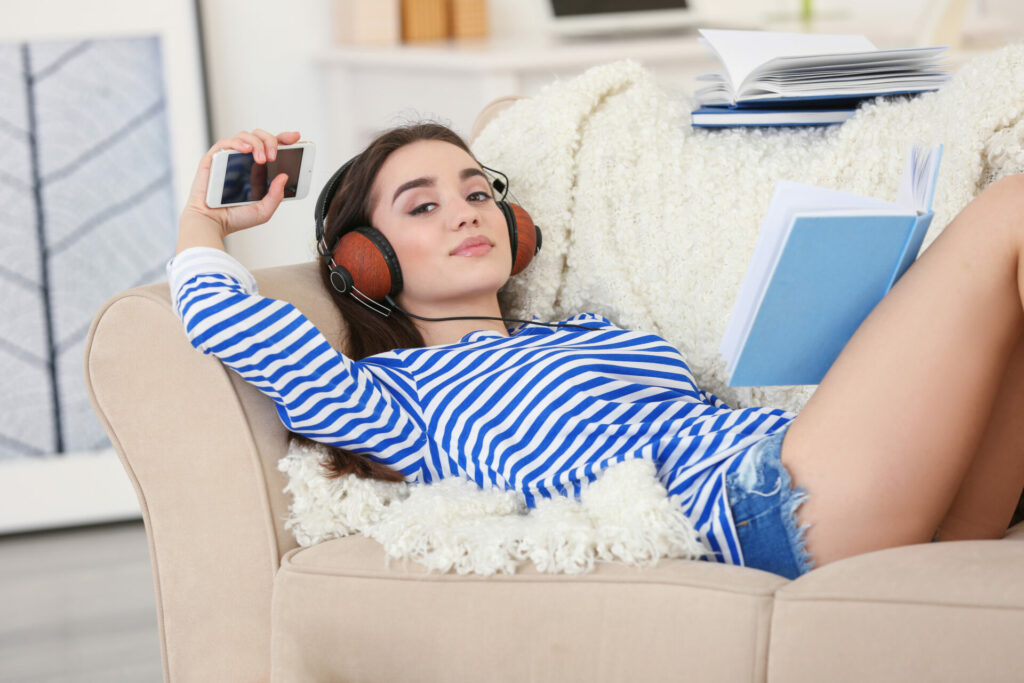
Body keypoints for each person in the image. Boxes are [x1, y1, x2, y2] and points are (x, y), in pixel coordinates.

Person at [168, 123, 1024, 580]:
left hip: (829, 477)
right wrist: (209, 218)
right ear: (364, 262)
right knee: (1011, 207)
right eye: (421, 207)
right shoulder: (391, 392)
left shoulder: (594, 332)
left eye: (477, 192)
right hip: (769, 507)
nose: (466, 211)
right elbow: (228, 322)